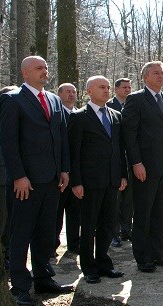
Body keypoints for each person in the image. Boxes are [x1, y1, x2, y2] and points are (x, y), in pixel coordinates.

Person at [0, 56, 73, 306]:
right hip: (25, 182)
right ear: (25, 73)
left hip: (52, 179)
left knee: (45, 232)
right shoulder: (12, 99)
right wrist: (18, 175)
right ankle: (20, 286)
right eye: (39, 68)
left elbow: (61, 137)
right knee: (21, 233)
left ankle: (43, 277)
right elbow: (8, 142)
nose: (45, 71)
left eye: (46, 67)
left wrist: (64, 169)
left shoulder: (53, 99)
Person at [122, 61, 163, 272]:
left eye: (162, 72)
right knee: (144, 213)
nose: (161, 76)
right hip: (144, 168)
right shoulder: (136, 99)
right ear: (145, 77)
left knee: (161, 213)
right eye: (156, 73)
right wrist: (136, 162)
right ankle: (143, 256)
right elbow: (129, 135)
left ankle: (159, 253)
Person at [68, 76, 127, 284]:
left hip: (112, 180)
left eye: (108, 87)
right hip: (89, 182)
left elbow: (119, 149)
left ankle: (104, 263)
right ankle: (89, 267)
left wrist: (122, 175)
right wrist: (76, 181)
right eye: (101, 87)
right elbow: (73, 152)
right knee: (89, 225)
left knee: (108, 225)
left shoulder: (115, 115)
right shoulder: (78, 117)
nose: (106, 90)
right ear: (89, 91)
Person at [107, 77, 133, 246]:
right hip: (115, 158)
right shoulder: (109, 106)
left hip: (130, 158)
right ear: (116, 89)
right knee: (115, 199)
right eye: (124, 87)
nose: (128, 90)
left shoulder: (132, 104)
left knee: (129, 199)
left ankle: (127, 230)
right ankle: (113, 233)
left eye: (129, 87)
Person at [55, 83, 81, 255]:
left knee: (75, 211)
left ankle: (74, 244)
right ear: (59, 95)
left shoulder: (80, 114)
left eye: (74, 92)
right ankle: (52, 244)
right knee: (57, 211)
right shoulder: (55, 114)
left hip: (77, 172)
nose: (71, 94)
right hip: (60, 171)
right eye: (68, 92)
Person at [0, 85, 19, 269]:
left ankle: (10, 255)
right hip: (0, 178)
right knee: (2, 221)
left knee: (13, 221)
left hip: (16, 179)